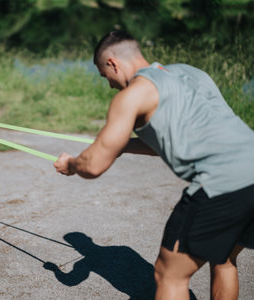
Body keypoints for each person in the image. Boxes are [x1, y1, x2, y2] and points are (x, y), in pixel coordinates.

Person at [54, 31, 254, 299]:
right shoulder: (190, 73)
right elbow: (164, 142)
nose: (111, 85)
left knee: (168, 276)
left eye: (106, 77)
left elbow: (93, 165)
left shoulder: (132, 95)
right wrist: (121, 145)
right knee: (224, 255)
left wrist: (71, 164)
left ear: (113, 63)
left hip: (221, 183)